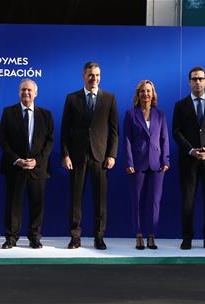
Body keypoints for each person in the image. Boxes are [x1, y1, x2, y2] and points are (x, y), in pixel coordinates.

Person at [61, 61, 119, 250]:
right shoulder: (72, 98)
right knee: (76, 199)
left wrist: (112, 155)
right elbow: (65, 130)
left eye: (97, 75)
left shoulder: (109, 98)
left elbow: (114, 131)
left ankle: (99, 237)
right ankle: (75, 237)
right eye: (90, 75)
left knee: (100, 200)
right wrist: (66, 155)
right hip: (77, 157)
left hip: (100, 157)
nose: (94, 78)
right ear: (84, 76)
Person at [172, 66, 205, 250]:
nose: (197, 82)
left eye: (200, 79)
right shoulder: (180, 105)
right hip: (189, 161)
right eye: (194, 79)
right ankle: (187, 238)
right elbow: (176, 132)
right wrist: (191, 150)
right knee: (188, 201)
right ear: (189, 82)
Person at [0, 79, 54, 249]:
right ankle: (11, 237)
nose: (26, 93)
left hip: (38, 168)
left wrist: (37, 160)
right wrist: (17, 159)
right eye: (23, 90)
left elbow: (50, 141)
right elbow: (3, 140)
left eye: (29, 90)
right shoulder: (8, 112)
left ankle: (35, 237)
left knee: (37, 205)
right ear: (18, 92)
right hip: (15, 167)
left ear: (35, 93)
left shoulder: (46, 115)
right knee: (13, 205)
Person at [124, 80, 170, 250]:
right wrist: (129, 161)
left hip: (157, 164)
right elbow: (127, 140)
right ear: (138, 94)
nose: (146, 94)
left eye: (148, 91)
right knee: (137, 201)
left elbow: (164, 139)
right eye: (142, 91)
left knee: (154, 202)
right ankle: (139, 235)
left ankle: (151, 235)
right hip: (137, 163)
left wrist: (166, 160)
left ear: (153, 94)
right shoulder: (130, 114)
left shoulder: (161, 115)